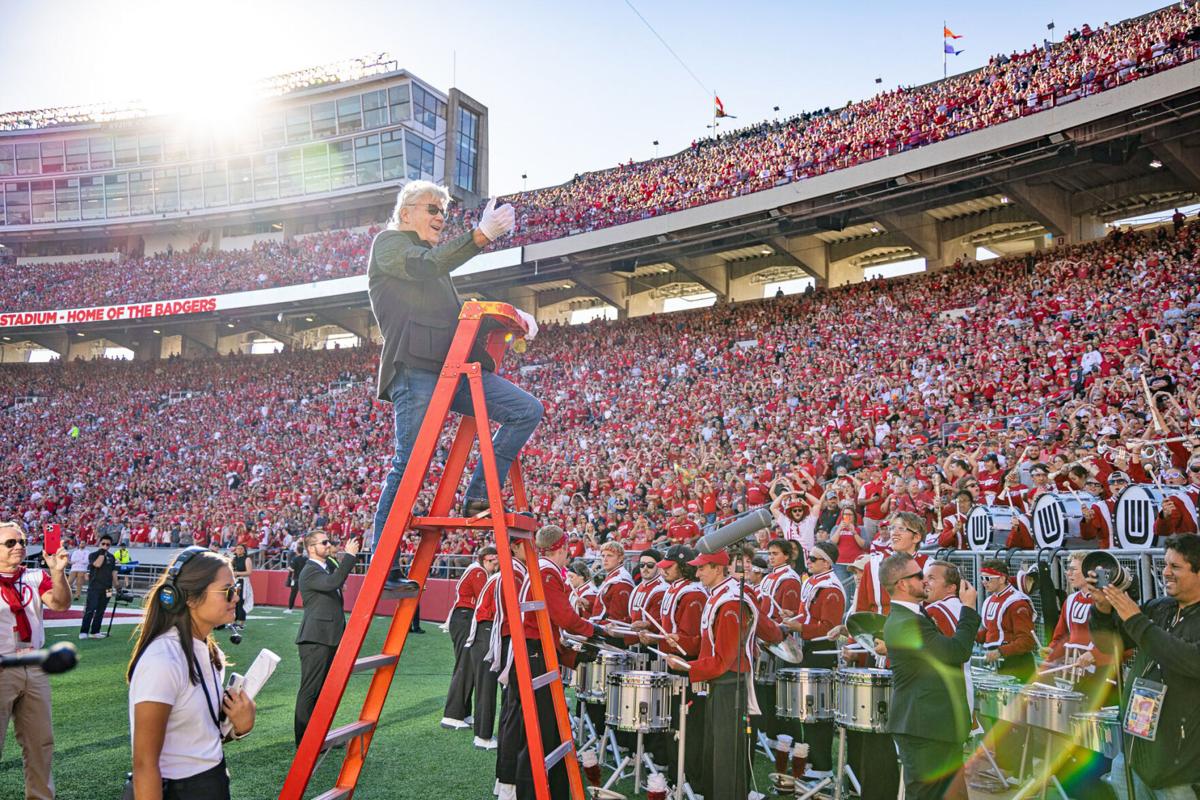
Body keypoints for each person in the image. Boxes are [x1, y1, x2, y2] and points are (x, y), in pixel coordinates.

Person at [368, 180, 538, 591]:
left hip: (452, 367)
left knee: (526, 410)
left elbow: (453, 313)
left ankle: (479, 493)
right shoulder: (390, 243)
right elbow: (426, 267)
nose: (441, 217)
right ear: (406, 212)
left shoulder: (431, 258)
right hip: (417, 368)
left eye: (444, 210)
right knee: (409, 461)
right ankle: (382, 563)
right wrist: (480, 236)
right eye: (433, 208)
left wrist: (512, 317)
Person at [128, 547, 255, 800]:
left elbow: (198, 737)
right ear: (188, 597)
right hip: (179, 789)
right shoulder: (162, 660)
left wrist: (241, 726)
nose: (236, 598)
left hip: (213, 781)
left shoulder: (211, 651)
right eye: (227, 591)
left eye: (237, 589)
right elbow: (144, 765)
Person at [1090, 534, 1200, 798]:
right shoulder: (1160, 608)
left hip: (1180, 768)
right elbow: (1111, 643)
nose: (1166, 572)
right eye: (1164, 564)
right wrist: (1103, 609)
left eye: (1176, 566)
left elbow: (1187, 659)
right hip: (1134, 753)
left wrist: (1137, 620)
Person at [496, 525, 600, 800]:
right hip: (532, 656)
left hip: (529, 651)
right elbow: (563, 618)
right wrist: (595, 631)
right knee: (539, 730)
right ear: (563, 548)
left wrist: (571, 656)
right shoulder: (547, 572)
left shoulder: (538, 568)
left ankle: (521, 787)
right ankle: (530, 791)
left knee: (534, 726)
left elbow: (547, 626)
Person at [880, 552, 980, 800]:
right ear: (903, 583)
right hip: (925, 728)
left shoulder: (912, 615)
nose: (924, 580)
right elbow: (957, 652)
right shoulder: (907, 621)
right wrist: (968, 609)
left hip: (931, 726)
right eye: (918, 575)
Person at [665, 548, 760, 800]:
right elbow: (711, 643)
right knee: (715, 750)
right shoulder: (718, 595)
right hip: (720, 682)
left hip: (729, 683)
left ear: (718, 569)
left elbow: (725, 659)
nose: (697, 573)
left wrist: (686, 667)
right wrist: (684, 642)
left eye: (701, 568)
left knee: (725, 754)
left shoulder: (730, 602)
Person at [0, 520, 70, 800]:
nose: (19, 547)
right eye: (10, 543)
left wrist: (58, 573)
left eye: (22, 542)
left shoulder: (35, 576)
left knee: (41, 743)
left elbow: (61, 603)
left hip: (34, 666)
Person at [782, 540, 846, 777]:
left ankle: (821, 765)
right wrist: (794, 617)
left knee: (818, 711)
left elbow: (829, 627)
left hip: (821, 652)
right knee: (807, 710)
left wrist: (799, 626)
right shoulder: (815, 581)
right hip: (809, 649)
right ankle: (810, 758)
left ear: (826, 563)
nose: (808, 562)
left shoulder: (831, 587)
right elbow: (809, 614)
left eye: (813, 559)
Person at [293, 531, 361, 746]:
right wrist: (349, 556)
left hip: (328, 636)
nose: (329, 544)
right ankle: (305, 741)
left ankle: (319, 737)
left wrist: (338, 559)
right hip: (315, 639)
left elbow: (336, 578)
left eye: (329, 541)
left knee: (322, 691)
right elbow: (333, 583)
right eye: (324, 542)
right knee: (310, 690)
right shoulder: (310, 570)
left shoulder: (324, 566)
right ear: (311, 548)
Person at [442, 546, 497, 730]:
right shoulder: (479, 572)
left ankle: (463, 712)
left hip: (465, 618)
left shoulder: (479, 570)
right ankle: (452, 715)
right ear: (482, 559)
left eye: (496, 560)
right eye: (491, 560)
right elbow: (484, 597)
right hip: (465, 618)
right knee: (465, 666)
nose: (494, 563)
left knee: (469, 667)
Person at [977, 559, 1036, 680]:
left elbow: (1027, 641)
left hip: (1017, 665)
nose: (984, 582)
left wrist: (1000, 651)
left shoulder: (1017, 603)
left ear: (1002, 579)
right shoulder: (990, 600)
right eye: (982, 578)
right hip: (998, 662)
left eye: (988, 578)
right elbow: (993, 632)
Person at [80, 534, 117, 640]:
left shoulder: (112, 557)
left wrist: (117, 586)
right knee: (90, 609)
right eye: (103, 543)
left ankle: (95, 631)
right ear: (100, 543)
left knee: (102, 610)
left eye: (108, 544)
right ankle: (84, 631)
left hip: (108, 588)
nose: (105, 546)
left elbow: (114, 572)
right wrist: (102, 552)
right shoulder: (93, 555)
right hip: (94, 586)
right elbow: (97, 564)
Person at [228, 544, 252, 637]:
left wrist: (237, 573)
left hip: (242, 581)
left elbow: (249, 572)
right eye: (237, 548)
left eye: (241, 548)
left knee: (241, 600)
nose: (239, 550)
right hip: (235, 581)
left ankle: (241, 623)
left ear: (244, 550)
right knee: (234, 601)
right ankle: (233, 621)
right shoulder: (234, 559)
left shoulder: (247, 559)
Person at [284, 540, 306, 614]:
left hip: (296, 578)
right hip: (304, 579)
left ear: (297, 551)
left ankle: (290, 608)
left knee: (293, 594)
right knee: (305, 595)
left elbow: (292, 569)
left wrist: (288, 568)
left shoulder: (295, 559)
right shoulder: (306, 559)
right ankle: (307, 608)